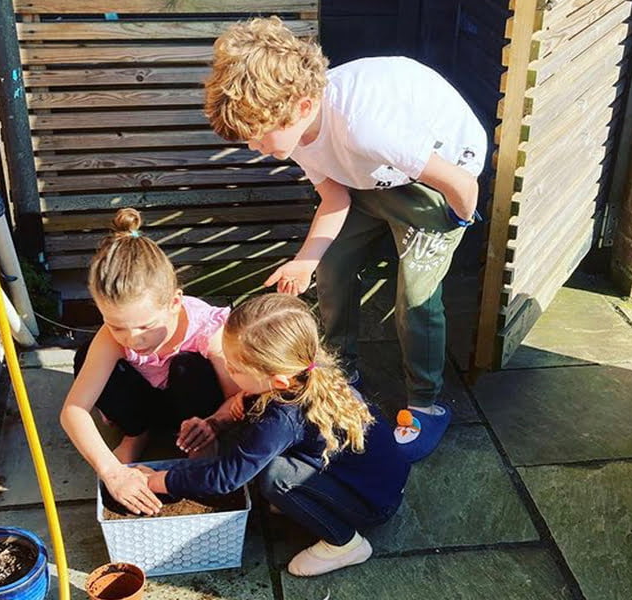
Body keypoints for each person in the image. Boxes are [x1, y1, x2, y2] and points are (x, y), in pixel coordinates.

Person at [204, 17, 488, 462]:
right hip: (369, 177)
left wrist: (456, 225)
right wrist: (305, 260)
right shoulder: (295, 129)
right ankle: (340, 374)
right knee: (330, 267)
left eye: (259, 134)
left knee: (416, 296)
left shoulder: (364, 125)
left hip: (435, 184)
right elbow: (334, 196)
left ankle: (426, 402)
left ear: (300, 106)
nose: (255, 146)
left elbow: (460, 183)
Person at [140, 293, 410, 577]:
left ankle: (344, 543)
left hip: (372, 504)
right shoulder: (305, 373)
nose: (228, 371)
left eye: (235, 368)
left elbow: (226, 477)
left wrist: (160, 481)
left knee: (274, 476)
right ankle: (310, 500)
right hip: (380, 481)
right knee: (259, 444)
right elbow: (251, 406)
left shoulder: (283, 417)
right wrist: (227, 413)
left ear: (277, 380)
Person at [60, 208, 242, 517]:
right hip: (145, 404)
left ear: (174, 302)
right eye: (116, 325)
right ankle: (137, 433)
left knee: (188, 366)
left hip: (193, 413)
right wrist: (112, 473)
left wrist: (213, 424)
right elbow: (73, 411)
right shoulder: (111, 337)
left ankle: (199, 445)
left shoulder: (206, 330)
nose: (132, 339)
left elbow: (237, 399)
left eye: (145, 326)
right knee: (87, 356)